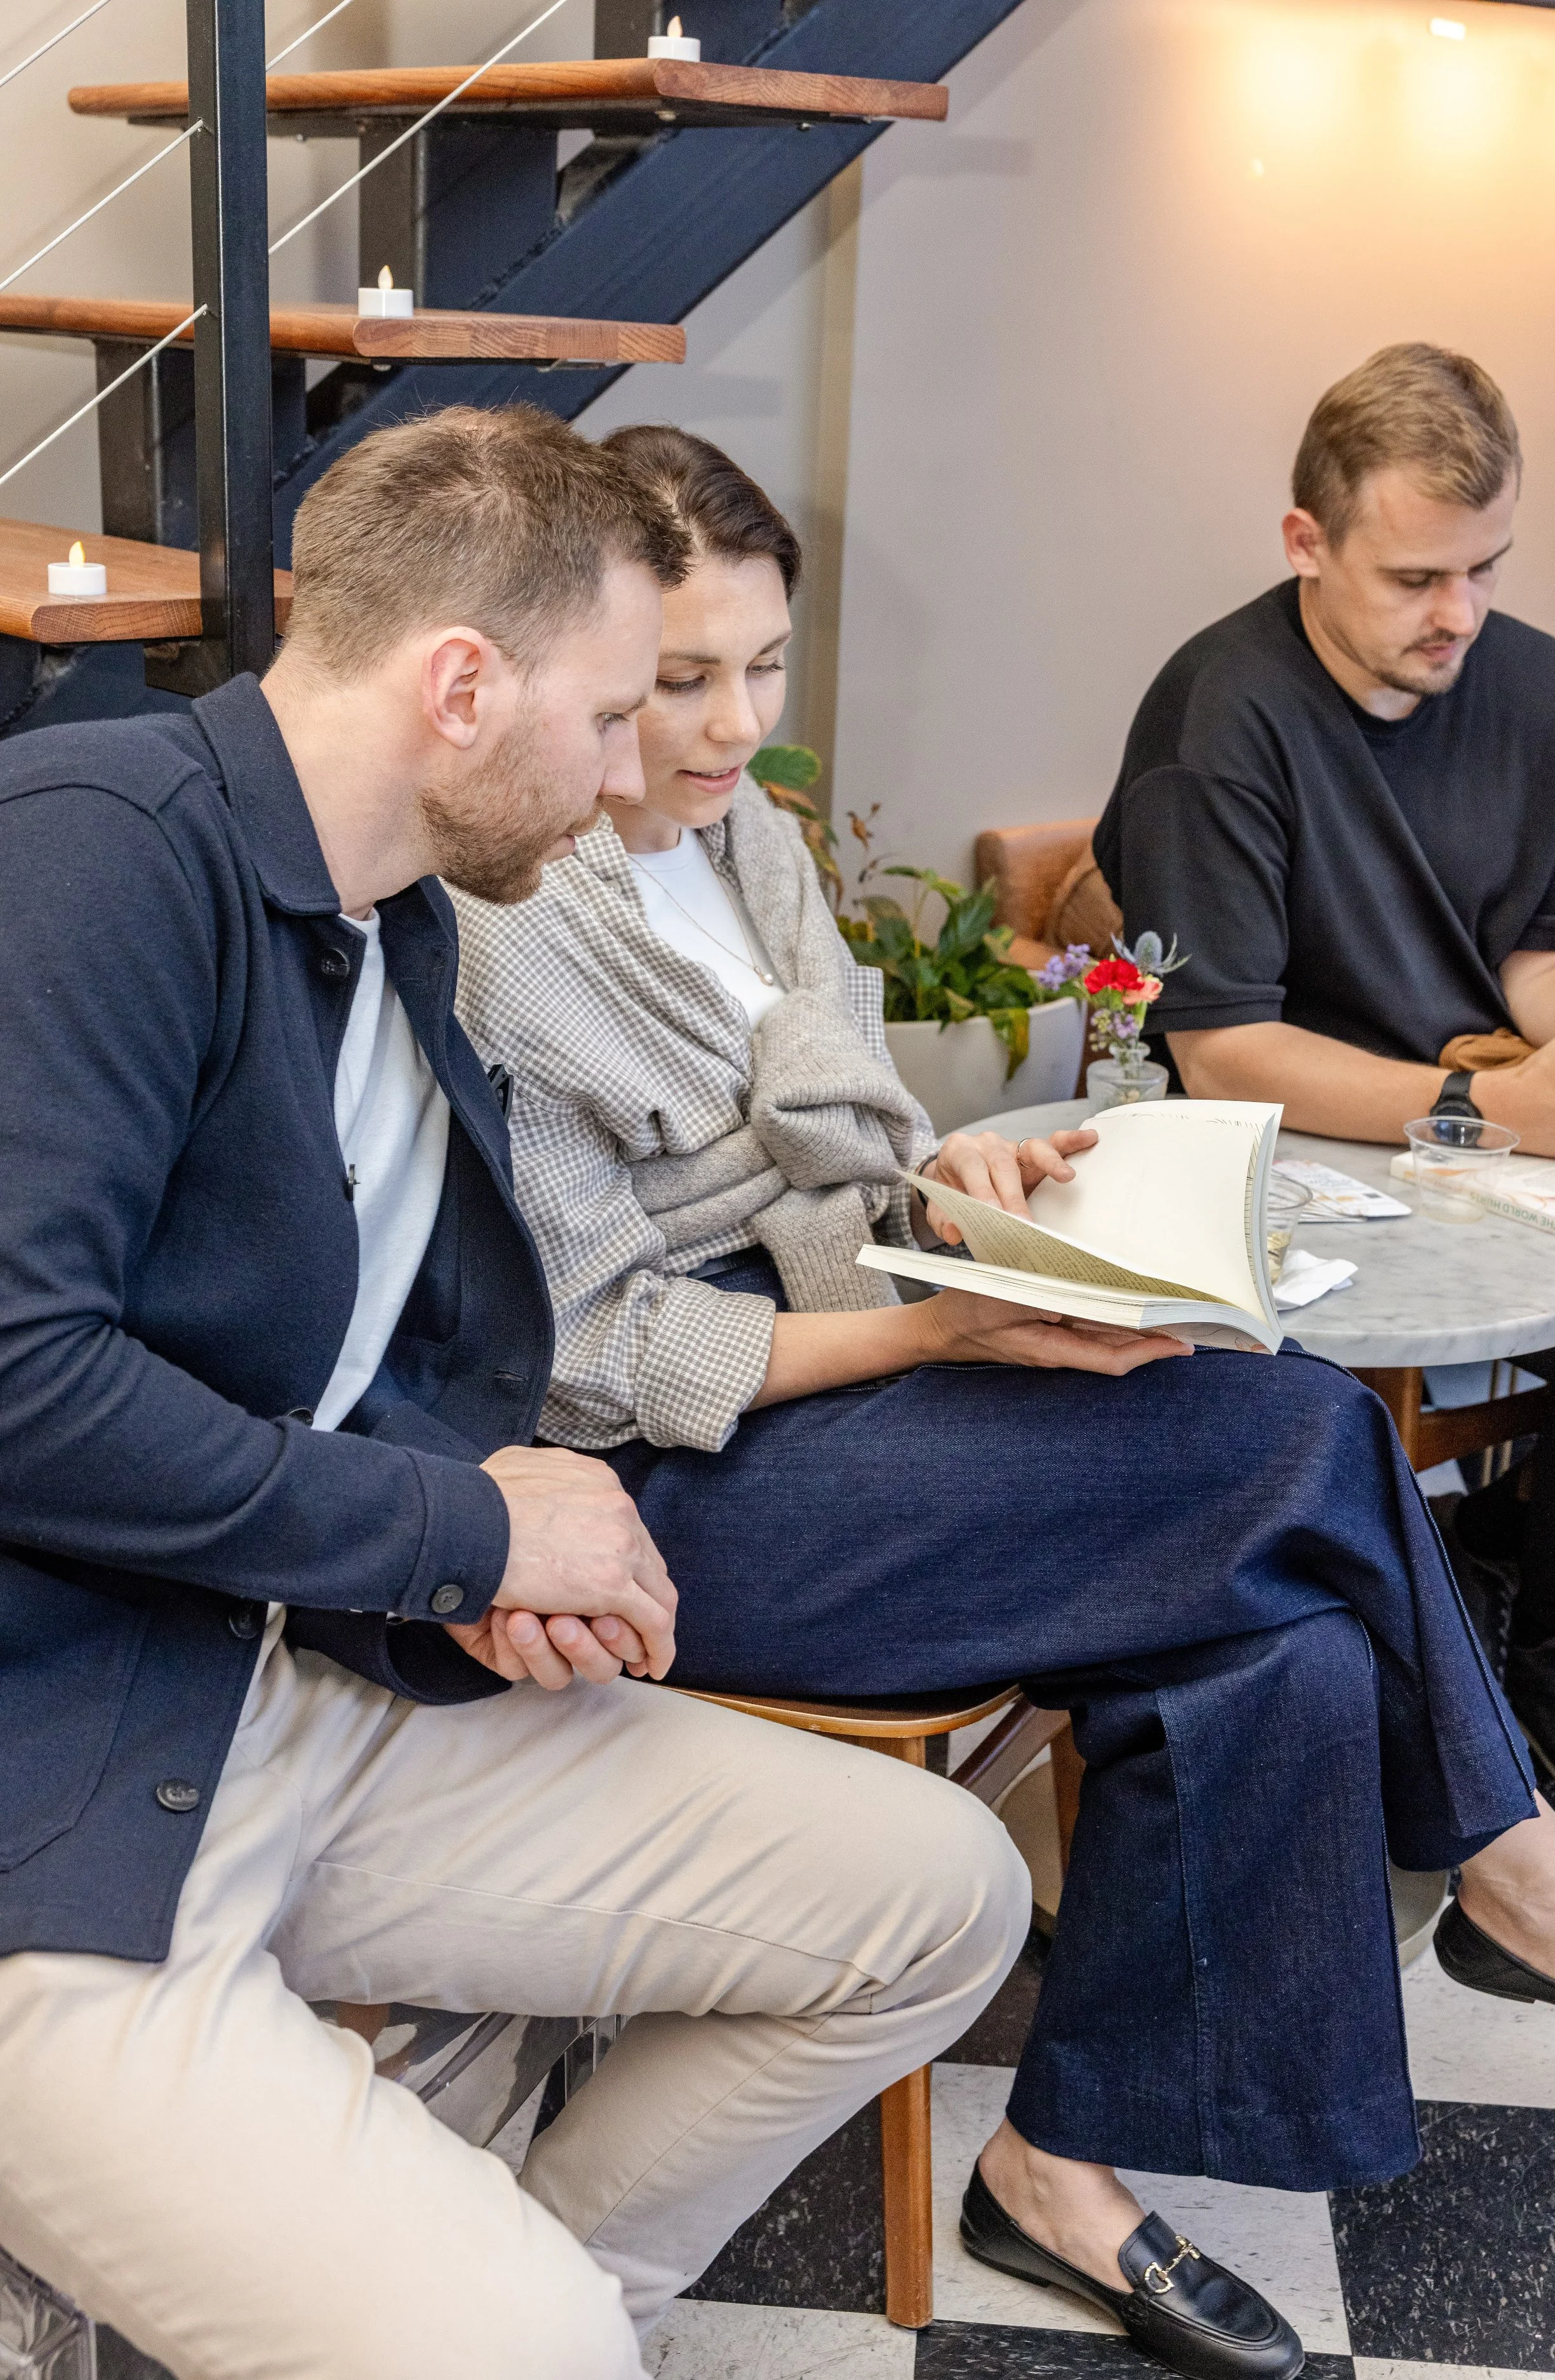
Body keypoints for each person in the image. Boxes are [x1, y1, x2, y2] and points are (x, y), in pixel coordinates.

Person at [454, 423, 1555, 2380]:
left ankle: (1058, 2162)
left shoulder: (744, 838)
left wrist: (940, 1197)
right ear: (580, 653)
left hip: (850, 1351)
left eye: (763, 665)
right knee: (1307, 1436)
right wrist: (929, 1333)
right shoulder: (499, 923)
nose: (730, 728)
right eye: (677, 681)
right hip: (666, 1484)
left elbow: (826, 1158)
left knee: (1294, 1642)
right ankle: (1514, 1865)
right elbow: (596, 1349)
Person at [0, 406, 1034, 2380]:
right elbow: (20, 1376)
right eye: (607, 714)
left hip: (295, 1695)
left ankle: (523, 2310)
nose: (641, 769)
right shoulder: (98, 843)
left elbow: (309, 1370)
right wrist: (470, 1520)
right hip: (57, 1801)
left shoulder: (392, 932)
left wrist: (470, 1542)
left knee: (938, 1894)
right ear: (461, 686)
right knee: (514, 2347)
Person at [1093, 341, 1555, 1802]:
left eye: (1485, 568)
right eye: (1417, 579)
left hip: (1481, 1124)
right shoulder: (1219, 715)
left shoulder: (1542, 689)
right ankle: (1505, 1646)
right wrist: (1494, 1109)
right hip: (1298, 1150)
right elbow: (1223, 1044)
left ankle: (1533, 1623)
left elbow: (1540, 948)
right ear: (1305, 542)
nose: (1462, 617)